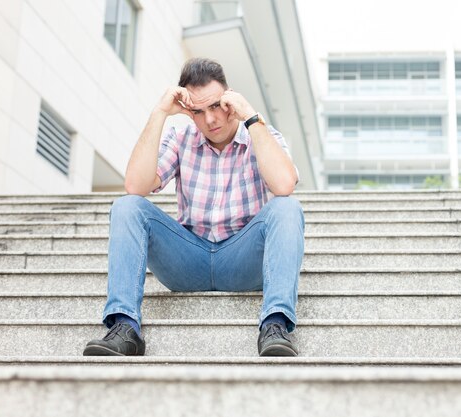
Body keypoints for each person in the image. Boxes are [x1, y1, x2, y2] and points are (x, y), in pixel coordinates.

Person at [83, 57, 304, 357]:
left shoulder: (260, 134)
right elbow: (136, 186)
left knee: (287, 208)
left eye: (216, 106)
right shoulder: (181, 138)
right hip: (187, 260)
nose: (210, 120)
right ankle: (124, 327)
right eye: (198, 112)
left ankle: (275, 325)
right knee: (127, 207)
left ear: (230, 99)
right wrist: (160, 113)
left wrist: (251, 116)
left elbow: (284, 185)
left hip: (242, 260)